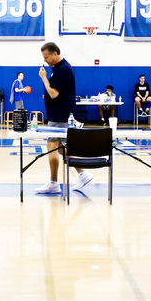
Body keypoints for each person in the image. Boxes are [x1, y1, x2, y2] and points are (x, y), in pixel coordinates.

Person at [35, 41, 92, 195]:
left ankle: (54, 183)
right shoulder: (57, 69)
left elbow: (54, 93)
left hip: (60, 116)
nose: (45, 60)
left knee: (52, 147)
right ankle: (82, 173)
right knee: (61, 148)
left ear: (55, 53)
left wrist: (44, 78)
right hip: (58, 114)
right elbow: (53, 92)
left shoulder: (63, 70)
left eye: (46, 57)